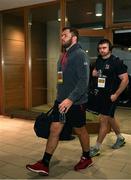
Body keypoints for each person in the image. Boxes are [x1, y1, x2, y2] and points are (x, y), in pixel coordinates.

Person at [26, 27, 93, 175]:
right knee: (54, 129)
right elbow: (61, 78)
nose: (62, 37)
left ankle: (87, 157)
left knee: (80, 130)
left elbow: (84, 81)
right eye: (61, 35)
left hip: (75, 103)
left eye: (65, 35)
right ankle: (44, 163)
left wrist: (70, 99)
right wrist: (60, 97)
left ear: (74, 38)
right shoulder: (63, 55)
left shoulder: (80, 55)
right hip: (61, 102)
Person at [89, 39, 129, 157]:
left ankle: (96, 148)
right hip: (102, 95)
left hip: (112, 96)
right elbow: (95, 72)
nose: (102, 50)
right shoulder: (99, 60)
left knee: (103, 120)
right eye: (100, 48)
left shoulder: (116, 62)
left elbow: (125, 80)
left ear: (109, 49)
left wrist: (116, 94)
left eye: (104, 48)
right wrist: (94, 73)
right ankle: (120, 138)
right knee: (110, 118)